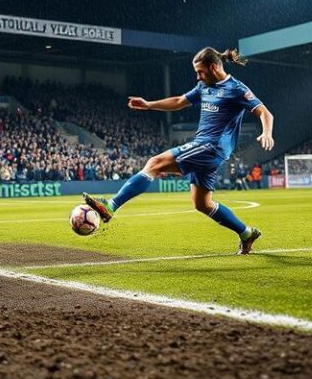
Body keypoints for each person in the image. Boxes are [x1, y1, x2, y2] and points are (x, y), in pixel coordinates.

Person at [83, 47, 274, 255]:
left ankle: (111, 206)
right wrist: (148, 105)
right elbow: (179, 101)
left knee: (154, 164)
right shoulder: (204, 86)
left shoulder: (236, 88)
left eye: (200, 71)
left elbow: (264, 112)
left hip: (211, 147)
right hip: (206, 149)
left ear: (212, 67)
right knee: (202, 204)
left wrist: (266, 132)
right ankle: (246, 233)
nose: (198, 76)